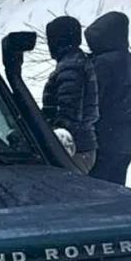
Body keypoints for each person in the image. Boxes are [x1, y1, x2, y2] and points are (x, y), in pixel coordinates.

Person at [85, 11, 131, 185]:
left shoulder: (103, 64)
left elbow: (93, 101)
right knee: (115, 193)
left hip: (102, 139)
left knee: (93, 194)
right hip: (125, 141)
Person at [42, 16, 100, 174]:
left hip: (73, 149)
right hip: (78, 146)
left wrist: (55, 142)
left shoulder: (71, 66)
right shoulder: (75, 62)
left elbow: (69, 112)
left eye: (51, 39)